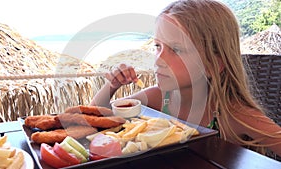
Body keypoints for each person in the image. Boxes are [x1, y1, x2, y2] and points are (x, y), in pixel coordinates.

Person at [90, 0, 281, 157]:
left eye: (176, 50)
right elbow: (94, 119)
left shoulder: (232, 114)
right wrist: (112, 85)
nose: (159, 59)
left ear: (213, 64)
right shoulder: (158, 98)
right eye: (157, 46)